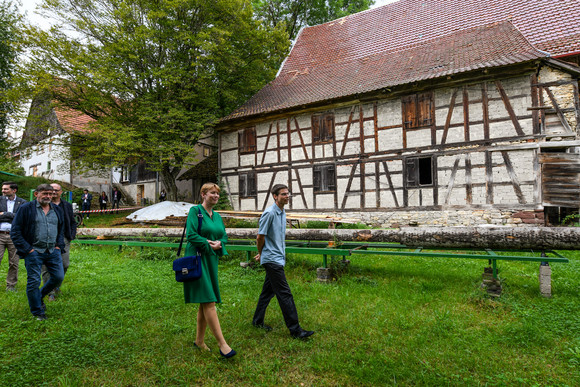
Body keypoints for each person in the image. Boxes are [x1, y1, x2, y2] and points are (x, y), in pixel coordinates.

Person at [252, 184, 314, 339]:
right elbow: (260, 237)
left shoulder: (282, 212)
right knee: (285, 294)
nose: (287, 196)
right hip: (272, 260)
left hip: (276, 257)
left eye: (288, 194)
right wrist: (261, 253)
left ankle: (257, 321)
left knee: (267, 292)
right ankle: (296, 330)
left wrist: (264, 254)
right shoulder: (270, 213)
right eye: (283, 194)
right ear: (275, 196)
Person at [183, 182, 235, 358]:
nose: (216, 196)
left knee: (204, 301)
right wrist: (208, 244)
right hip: (198, 258)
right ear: (203, 194)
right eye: (212, 193)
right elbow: (191, 235)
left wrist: (220, 244)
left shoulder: (218, 216)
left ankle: (199, 341)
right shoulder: (195, 212)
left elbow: (224, 236)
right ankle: (223, 345)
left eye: (218, 194)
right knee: (210, 301)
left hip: (211, 260)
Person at [10, 184, 65, 321]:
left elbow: (61, 228)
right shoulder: (26, 209)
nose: (48, 196)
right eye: (45, 193)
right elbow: (15, 231)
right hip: (34, 251)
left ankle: (39, 296)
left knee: (58, 277)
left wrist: (58, 245)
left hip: (53, 250)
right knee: (34, 281)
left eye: (50, 194)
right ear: (36, 194)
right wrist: (28, 250)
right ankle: (37, 311)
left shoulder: (57, 209)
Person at [41, 183, 77, 301]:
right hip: (46, 239)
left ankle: (56, 286)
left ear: (61, 192)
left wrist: (71, 235)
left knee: (64, 264)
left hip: (63, 238)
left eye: (56, 190)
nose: (54, 192)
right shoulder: (44, 204)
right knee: (46, 266)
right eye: (52, 190)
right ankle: (50, 292)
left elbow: (72, 221)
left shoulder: (67, 205)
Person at [0, 181, 27, 291]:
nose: (3, 191)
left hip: (15, 236)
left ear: (14, 190)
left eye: (6, 189)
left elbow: (22, 218)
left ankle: (11, 286)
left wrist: (4, 214)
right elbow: (16, 217)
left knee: (14, 263)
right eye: (3, 189)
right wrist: (13, 217)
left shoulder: (23, 202)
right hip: (0, 234)